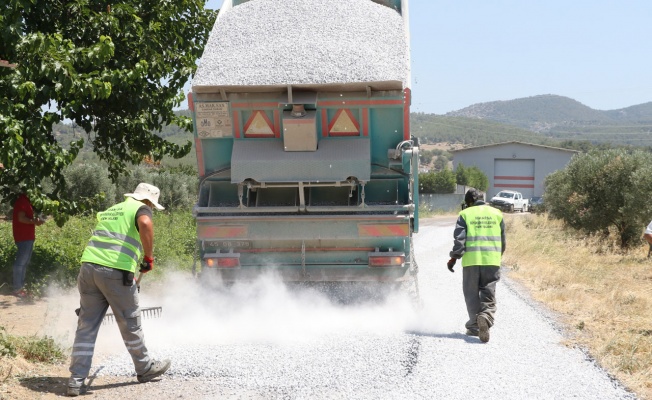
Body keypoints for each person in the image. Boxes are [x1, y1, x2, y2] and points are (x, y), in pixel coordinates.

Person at [67, 183, 171, 397]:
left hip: (88, 268)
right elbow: (145, 223)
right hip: (115, 273)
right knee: (129, 322)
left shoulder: (114, 209)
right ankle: (144, 368)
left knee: (86, 326)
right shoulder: (141, 209)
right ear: (149, 201)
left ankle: (76, 380)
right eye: (152, 205)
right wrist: (148, 258)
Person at [447, 189, 506, 343]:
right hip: (491, 260)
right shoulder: (497, 213)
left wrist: (454, 258)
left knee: (471, 294)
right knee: (488, 291)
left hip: (471, 262)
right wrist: (497, 256)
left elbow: (459, 240)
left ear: (468, 202)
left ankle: (474, 326)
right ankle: (485, 317)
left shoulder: (465, 214)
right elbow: (503, 240)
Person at [12, 193, 44, 298]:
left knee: (24, 263)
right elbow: (21, 218)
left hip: (27, 237)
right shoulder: (22, 201)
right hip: (23, 237)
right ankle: (17, 288)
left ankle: (21, 288)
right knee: (20, 263)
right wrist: (34, 221)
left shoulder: (27, 201)